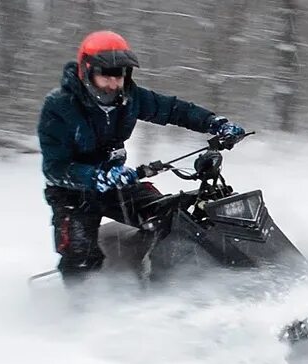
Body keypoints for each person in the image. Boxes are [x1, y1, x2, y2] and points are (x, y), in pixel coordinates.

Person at [38, 30, 245, 281]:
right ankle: (84, 310)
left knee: (170, 219)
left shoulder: (130, 98)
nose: (114, 83)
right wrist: (97, 177)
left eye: (120, 75)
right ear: (86, 71)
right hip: (72, 193)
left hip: (119, 185)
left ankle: (162, 284)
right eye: (106, 75)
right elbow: (55, 168)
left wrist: (214, 123)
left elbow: (173, 110)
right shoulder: (59, 107)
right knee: (79, 256)